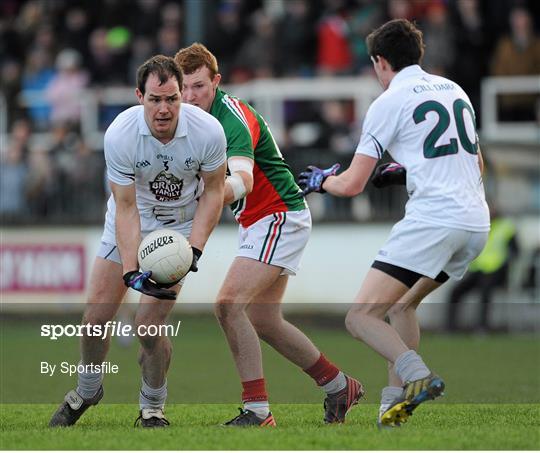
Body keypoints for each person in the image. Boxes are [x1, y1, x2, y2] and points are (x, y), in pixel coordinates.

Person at [299, 19, 490, 428]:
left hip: (434, 221)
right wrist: (408, 171)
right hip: (475, 222)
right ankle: (391, 407)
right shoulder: (454, 90)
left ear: (380, 62)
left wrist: (320, 182)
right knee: (402, 306)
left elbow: (351, 185)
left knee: (359, 317)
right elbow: (475, 164)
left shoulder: (389, 100)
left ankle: (417, 375)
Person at [175, 43, 363, 427]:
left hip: (278, 216)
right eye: (185, 89)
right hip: (260, 221)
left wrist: (203, 201)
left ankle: (257, 410)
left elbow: (241, 181)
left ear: (216, 82)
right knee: (264, 321)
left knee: (228, 304)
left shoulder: (232, 118)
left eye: (199, 86)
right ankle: (339, 386)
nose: (191, 97)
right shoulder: (190, 121)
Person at [49, 55, 227, 428]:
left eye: (172, 99)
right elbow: (126, 208)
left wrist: (193, 248)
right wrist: (130, 270)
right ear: (139, 96)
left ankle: (152, 407)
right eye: (154, 99)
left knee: (148, 327)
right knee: (94, 320)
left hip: (176, 232)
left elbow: (213, 193)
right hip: (128, 223)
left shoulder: (208, 131)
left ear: (182, 96)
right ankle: (88, 390)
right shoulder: (120, 134)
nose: (164, 109)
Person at [447, 210, 519, 332]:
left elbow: (515, 251)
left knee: (485, 292)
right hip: (478, 270)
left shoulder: (506, 227)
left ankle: (482, 327)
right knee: (455, 292)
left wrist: (506, 265)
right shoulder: (481, 226)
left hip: (497, 271)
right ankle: (450, 327)